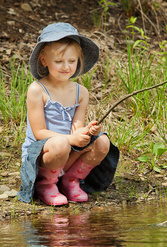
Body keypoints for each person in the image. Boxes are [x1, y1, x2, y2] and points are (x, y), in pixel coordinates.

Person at [18, 23, 119, 206]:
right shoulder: (37, 90)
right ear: (44, 60)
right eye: (58, 62)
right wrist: (70, 139)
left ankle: (71, 180)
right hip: (44, 155)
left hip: (67, 151)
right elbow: (39, 132)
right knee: (61, 143)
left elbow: (76, 128)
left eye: (71, 61)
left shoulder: (81, 92)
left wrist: (87, 132)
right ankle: (46, 184)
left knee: (102, 141)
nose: (66, 67)